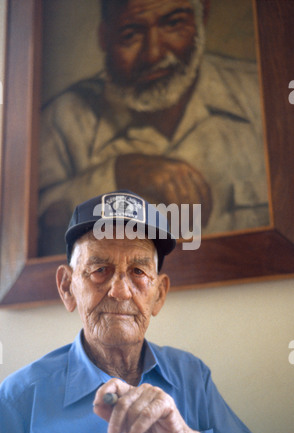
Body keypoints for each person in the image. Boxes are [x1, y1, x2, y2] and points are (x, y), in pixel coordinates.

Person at [0, 190, 262, 433]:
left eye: (138, 271)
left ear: (159, 294)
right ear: (67, 288)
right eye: (100, 270)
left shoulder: (193, 378)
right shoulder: (18, 400)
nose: (121, 291)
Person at [38, 0, 269, 256]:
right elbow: (38, 234)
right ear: (104, 38)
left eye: (173, 23)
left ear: (202, 17)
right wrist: (118, 175)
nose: (153, 54)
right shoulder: (62, 120)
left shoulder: (263, 96)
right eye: (131, 34)